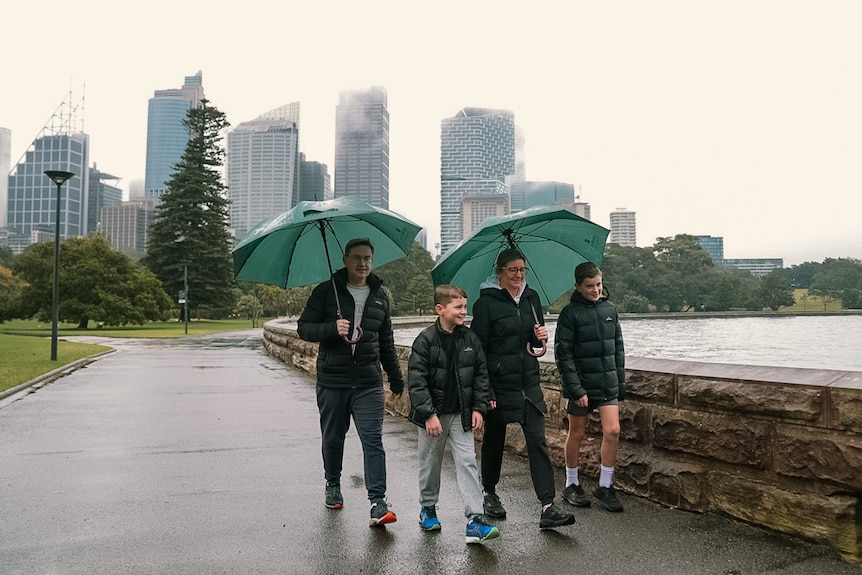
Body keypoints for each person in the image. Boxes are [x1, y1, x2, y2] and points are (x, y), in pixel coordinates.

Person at [297, 237, 405, 527]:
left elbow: (387, 342)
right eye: (357, 257)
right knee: (333, 437)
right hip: (333, 380)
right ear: (345, 259)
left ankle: (377, 501)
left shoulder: (380, 295)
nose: (363, 263)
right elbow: (303, 328)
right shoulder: (325, 292)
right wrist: (331, 328)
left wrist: (396, 380)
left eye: (368, 258)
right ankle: (332, 483)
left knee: (373, 439)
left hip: (368, 381)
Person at [470, 248, 576, 530]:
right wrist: (485, 391)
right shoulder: (485, 305)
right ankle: (489, 493)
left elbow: (534, 346)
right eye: (512, 270)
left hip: (529, 383)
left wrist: (539, 337)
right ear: (500, 273)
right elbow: (478, 350)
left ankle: (548, 506)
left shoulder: (532, 299)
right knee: (495, 439)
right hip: (499, 384)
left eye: (522, 270)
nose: (518, 275)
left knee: (537, 441)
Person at [407, 284, 501, 544]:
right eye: (458, 307)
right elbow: (416, 382)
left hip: (461, 414)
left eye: (465, 306)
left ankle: (475, 520)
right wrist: (428, 414)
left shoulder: (470, 339)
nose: (464, 312)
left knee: (468, 461)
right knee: (430, 463)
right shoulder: (424, 340)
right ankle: (427, 509)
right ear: (440, 309)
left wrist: (479, 408)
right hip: (433, 415)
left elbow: (481, 375)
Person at [554, 261, 626, 512]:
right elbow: (564, 355)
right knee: (577, 434)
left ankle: (605, 486)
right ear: (578, 286)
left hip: (607, 384)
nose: (595, 290)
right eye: (589, 286)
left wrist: (620, 382)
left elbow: (618, 348)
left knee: (613, 430)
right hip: (581, 386)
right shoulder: (569, 314)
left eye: (598, 284)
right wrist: (576, 389)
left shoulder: (610, 309)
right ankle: (571, 484)